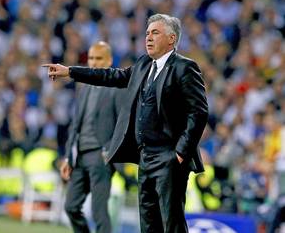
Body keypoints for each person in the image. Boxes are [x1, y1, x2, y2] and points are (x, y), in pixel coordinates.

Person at [44, 13, 208, 233]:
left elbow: (198, 112)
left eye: (155, 33)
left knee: (172, 222)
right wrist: (71, 71)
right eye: (147, 33)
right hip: (146, 157)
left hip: (169, 157)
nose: (148, 37)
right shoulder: (143, 64)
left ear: (171, 39)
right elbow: (111, 76)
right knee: (148, 222)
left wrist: (180, 152)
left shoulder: (184, 67)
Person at [61, 41, 122, 233]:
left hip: (100, 156)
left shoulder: (117, 87)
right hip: (79, 155)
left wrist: (110, 150)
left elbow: (124, 122)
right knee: (70, 206)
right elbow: (75, 125)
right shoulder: (85, 87)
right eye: (91, 58)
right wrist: (68, 156)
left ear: (109, 60)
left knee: (99, 211)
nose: (94, 63)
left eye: (99, 58)